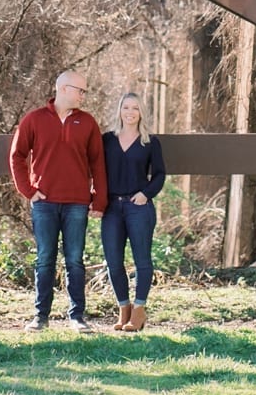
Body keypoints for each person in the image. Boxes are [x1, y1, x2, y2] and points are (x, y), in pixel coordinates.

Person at [9, 69, 107, 332]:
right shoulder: (34, 120)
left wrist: (99, 200)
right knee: (45, 259)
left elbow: (98, 163)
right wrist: (28, 191)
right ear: (63, 88)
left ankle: (77, 316)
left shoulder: (87, 122)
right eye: (80, 90)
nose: (83, 95)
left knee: (75, 259)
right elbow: (17, 156)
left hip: (77, 202)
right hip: (45, 202)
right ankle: (41, 316)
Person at [100, 91, 166, 333]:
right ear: (119, 110)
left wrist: (146, 194)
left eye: (135, 108)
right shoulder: (106, 140)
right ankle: (123, 308)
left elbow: (159, 174)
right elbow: (95, 169)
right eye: (126, 107)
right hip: (111, 208)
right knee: (113, 262)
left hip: (139, 207)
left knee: (142, 260)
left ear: (141, 113)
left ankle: (139, 310)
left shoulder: (149, 142)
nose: (130, 112)